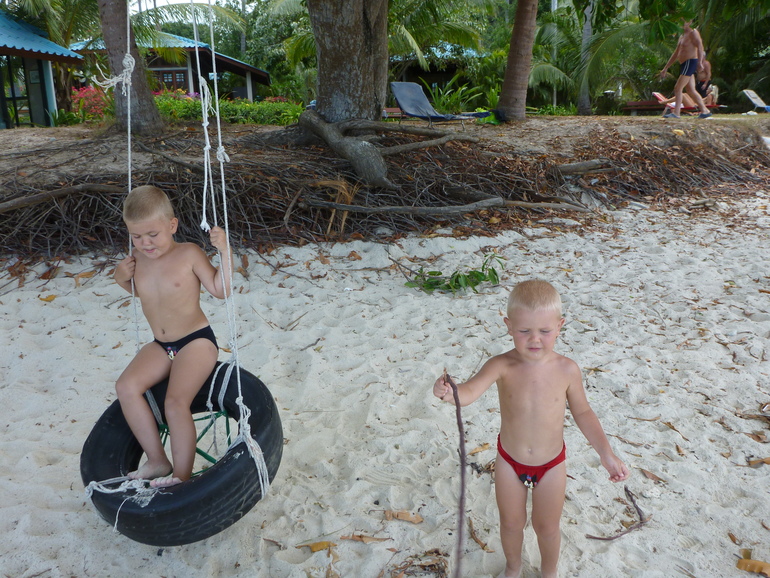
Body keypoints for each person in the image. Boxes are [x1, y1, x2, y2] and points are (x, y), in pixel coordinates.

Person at [432, 280, 629, 578]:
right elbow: (469, 392)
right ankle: (513, 567)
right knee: (511, 523)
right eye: (524, 331)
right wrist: (450, 393)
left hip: (552, 464)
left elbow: (583, 412)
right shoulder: (501, 365)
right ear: (509, 326)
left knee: (546, 527)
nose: (535, 339)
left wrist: (606, 454)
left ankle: (549, 571)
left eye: (545, 331)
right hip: (509, 461)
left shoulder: (567, 369)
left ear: (560, 326)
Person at [113, 185, 233, 488]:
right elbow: (145, 294)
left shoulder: (188, 253)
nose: (145, 243)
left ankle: (181, 474)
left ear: (172, 225)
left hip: (196, 342)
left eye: (152, 234)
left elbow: (221, 290)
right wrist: (120, 278)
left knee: (175, 402)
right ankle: (157, 460)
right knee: (126, 387)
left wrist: (225, 252)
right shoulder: (137, 259)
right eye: (136, 236)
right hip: (161, 345)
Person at [658, 20, 712, 119]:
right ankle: (705, 111)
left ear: (690, 22)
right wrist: (666, 68)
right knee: (691, 90)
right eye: (681, 20)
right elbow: (676, 53)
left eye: (685, 20)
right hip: (684, 64)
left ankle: (676, 113)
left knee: (678, 88)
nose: (683, 23)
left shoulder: (693, 33)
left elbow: (700, 46)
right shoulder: (682, 36)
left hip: (690, 62)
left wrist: (700, 62)